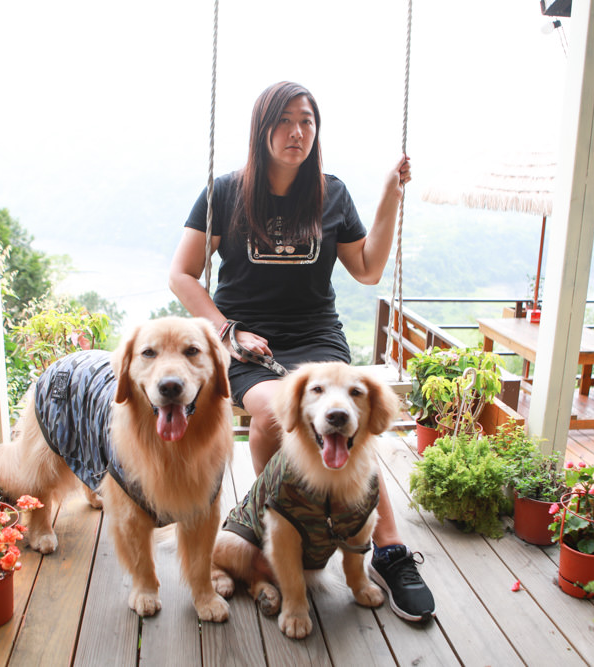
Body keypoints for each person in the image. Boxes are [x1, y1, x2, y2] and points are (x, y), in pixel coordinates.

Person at [168, 81, 435, 622]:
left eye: (307, 121)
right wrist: (228, 331)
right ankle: (285, 534)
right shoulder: (224, 193)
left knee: (349, 420)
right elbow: (182, 274)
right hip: (246, 342)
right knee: (272, 415)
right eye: (285, 120)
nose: (297, 132)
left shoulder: (331, 193)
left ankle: (388, 550)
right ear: (262, 129)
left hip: (318, 339)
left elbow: (368, 269)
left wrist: (389, 195)